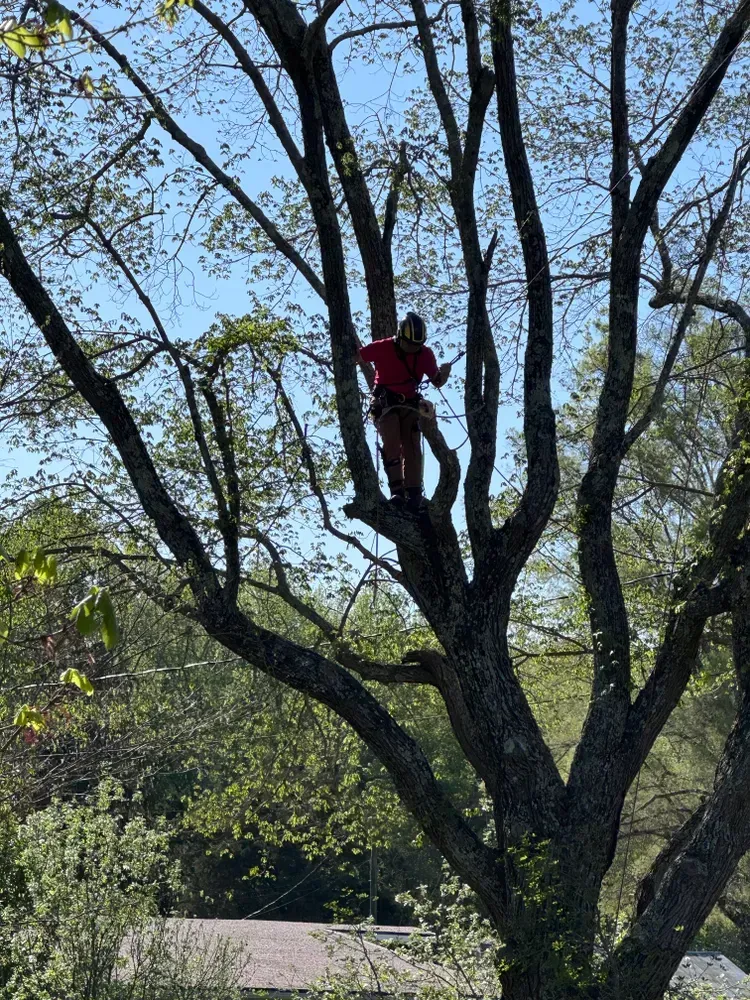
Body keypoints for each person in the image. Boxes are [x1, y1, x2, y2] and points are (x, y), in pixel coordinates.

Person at [357, 311, 451, 511]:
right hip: (386, 403)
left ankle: (414, 492)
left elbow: (436, 380)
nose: (411, 350)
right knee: (391, 440)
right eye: (409, 345)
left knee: (412, 444)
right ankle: (397, 491)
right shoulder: (383, 347)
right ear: (399, 337)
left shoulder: (424, 354)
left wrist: (444, 372)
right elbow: (358, 355)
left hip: (409, 403)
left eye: (416, 346)